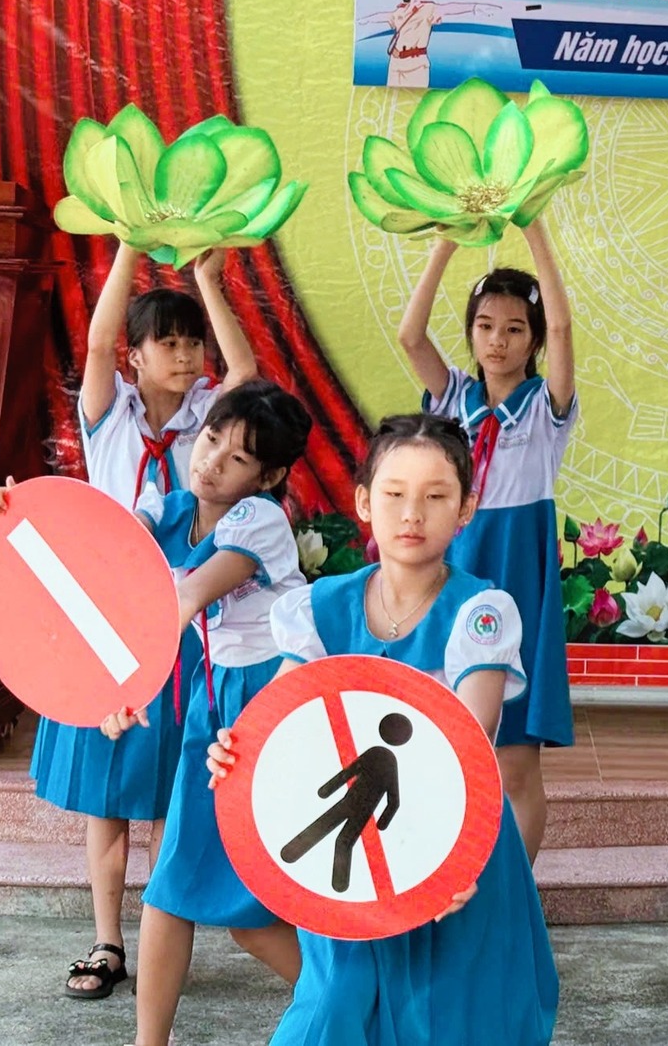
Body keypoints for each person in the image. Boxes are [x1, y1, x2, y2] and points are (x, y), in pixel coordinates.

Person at [210, 413, 558, 1046]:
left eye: (436, 496)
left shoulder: (480, 612)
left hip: (449, 846)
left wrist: (450, 860)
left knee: (448, 1020)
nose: (412, 513)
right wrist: (240, 751)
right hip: (346, 868)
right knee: (333, 1003)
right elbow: (284, 718)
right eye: (394, 493)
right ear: (365, 502)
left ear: (466, 509)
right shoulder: (319, 607)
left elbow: (470, 740)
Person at [27, 240, 255, 1000]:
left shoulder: (209, 419)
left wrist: (206, 281)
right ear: (136, 357)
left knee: (170, 784)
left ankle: (164, 936)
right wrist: (127, 244)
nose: (186, 355)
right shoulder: (108, 415)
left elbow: (246, 372)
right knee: (107, 791)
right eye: (169, 343)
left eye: (192, 343)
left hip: (183, 621)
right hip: (106, 617)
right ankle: (106, 941)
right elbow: (95, 343)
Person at [97, 379, 315, 1046]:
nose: (213, 460)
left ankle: (360, 1004)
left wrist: (125, 687)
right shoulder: (170, 506)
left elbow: (187, 596)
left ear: (268, 476)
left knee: (254, 918)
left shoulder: (259, 519)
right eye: (212, 437)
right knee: (172, 886)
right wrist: (13, 515)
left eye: (238, 457)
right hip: (215, 697)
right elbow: (104, 549)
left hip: (277, 698)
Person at [398, 223, 575, 859]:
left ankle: (516, 893)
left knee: (514, 760)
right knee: (442, 738)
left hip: (519, 572)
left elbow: (565, 328)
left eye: (515, 329)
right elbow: (410, 336)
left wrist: (536, 233)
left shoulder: (546, 406)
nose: (498, 341)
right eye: (485, 326)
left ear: (534, 340)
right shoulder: (451, 398)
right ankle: (443, 871)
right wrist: (447, 243)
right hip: (454, 566)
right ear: (471, 332)